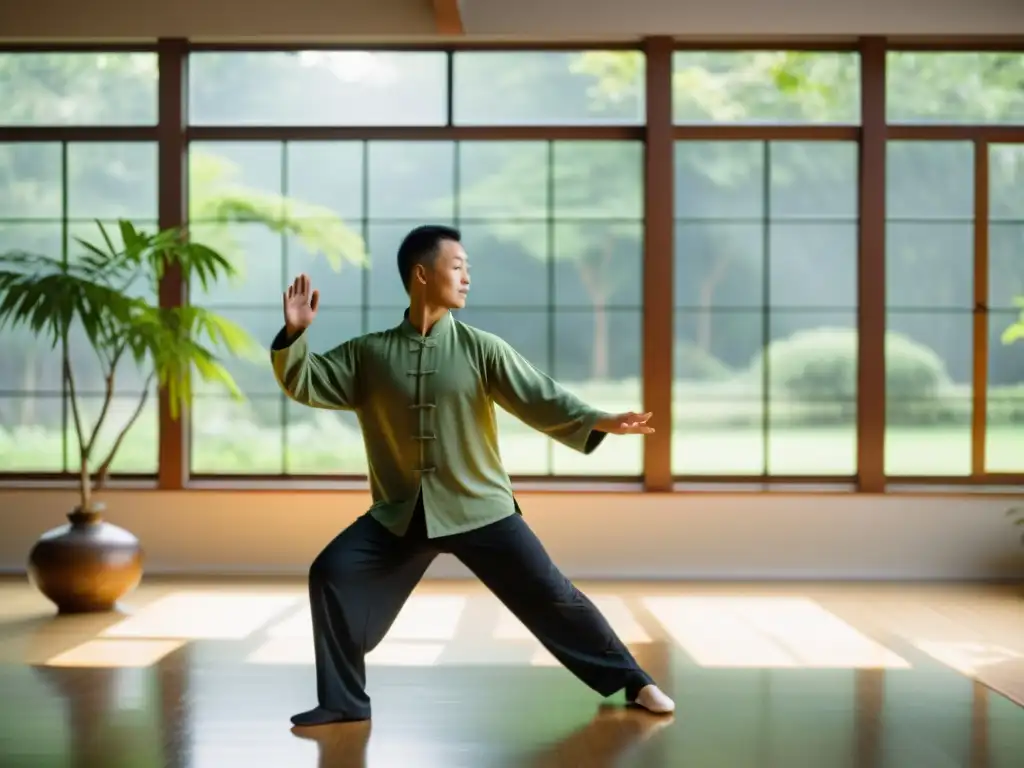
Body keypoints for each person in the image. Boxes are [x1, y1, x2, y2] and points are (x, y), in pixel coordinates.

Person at [271, 224, 675, 728]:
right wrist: (294, 334)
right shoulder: (369, 354)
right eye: (457, 267)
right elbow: (307, 381)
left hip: (480, 508)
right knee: (331, 572)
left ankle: (635, 681)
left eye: (468, 270)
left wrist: (601, 420)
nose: (466, 279)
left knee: (554, 597)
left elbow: (539, 396)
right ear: (422, 274)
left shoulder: (482, 348)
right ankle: (343, 701)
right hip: (400, 514)